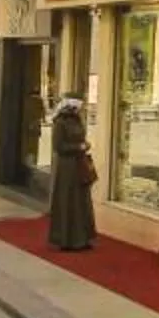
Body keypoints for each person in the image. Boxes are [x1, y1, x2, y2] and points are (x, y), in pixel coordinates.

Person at [47, 97, 96, 252]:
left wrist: (85, 145)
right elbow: (58, 146)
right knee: (68, 201)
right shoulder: (60, 123)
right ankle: (66, 239)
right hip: (67, 168)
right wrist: (79, 146)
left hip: (79, 165)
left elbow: (81, 139)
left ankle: (82, 238)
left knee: (82, 203)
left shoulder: (78, 120)